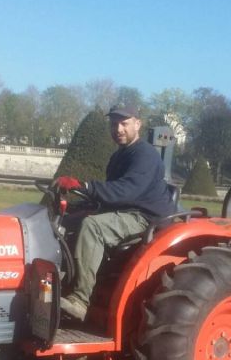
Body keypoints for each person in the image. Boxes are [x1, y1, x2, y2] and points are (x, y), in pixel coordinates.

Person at [54, 104, 176, 322]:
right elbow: (112, 195)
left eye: (124, 123)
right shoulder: (119, 156)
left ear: (137, 124)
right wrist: (81, 203)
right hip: (126, 209)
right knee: (67, 222)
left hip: (145, 216)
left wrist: (85, 186)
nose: (118, 129)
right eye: (113, 124)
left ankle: (80, 301)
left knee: (93, 227)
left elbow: (125, 191)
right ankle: (60, 285)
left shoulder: (144, 155)